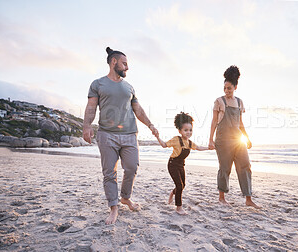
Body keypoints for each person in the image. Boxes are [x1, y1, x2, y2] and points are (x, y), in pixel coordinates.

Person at [83, 47, 159, 224]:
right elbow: (91, 107)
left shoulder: (129, 87)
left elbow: (138, 110)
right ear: (114, 62)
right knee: (109, 172)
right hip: (106, 134)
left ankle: (125, 197)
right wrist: (86, 125)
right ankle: (114, 207)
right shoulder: (98, 84)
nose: (127, 68)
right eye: (125, 64)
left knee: (132, 167)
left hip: (129, 134)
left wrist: (151, 125)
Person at [208, 65, 261, 209]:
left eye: (229, 88)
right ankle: (221, 198)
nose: (226, 91)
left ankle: (248, 198)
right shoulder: (219, 101)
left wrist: (247, 138)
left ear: (235, 87)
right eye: (225, 88)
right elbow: (214, 121)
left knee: (245, 166)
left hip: (238, 140)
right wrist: (210, 139)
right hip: (223, 139)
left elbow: (241, 123)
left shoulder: (239, 102)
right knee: (225, 168)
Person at [156, 112, 208, 215]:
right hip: (172, 164)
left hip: (181, 165)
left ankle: (172, 193)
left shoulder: (189, 143)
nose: (188, 132)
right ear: (180, 131)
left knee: (182, 185)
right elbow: (164, 145)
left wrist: (210, 147)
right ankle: (178, 207)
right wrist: (158, 136)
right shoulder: (176, 139)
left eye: (190, 130)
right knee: (179, 185)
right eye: (186, 130)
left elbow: (199, 148)